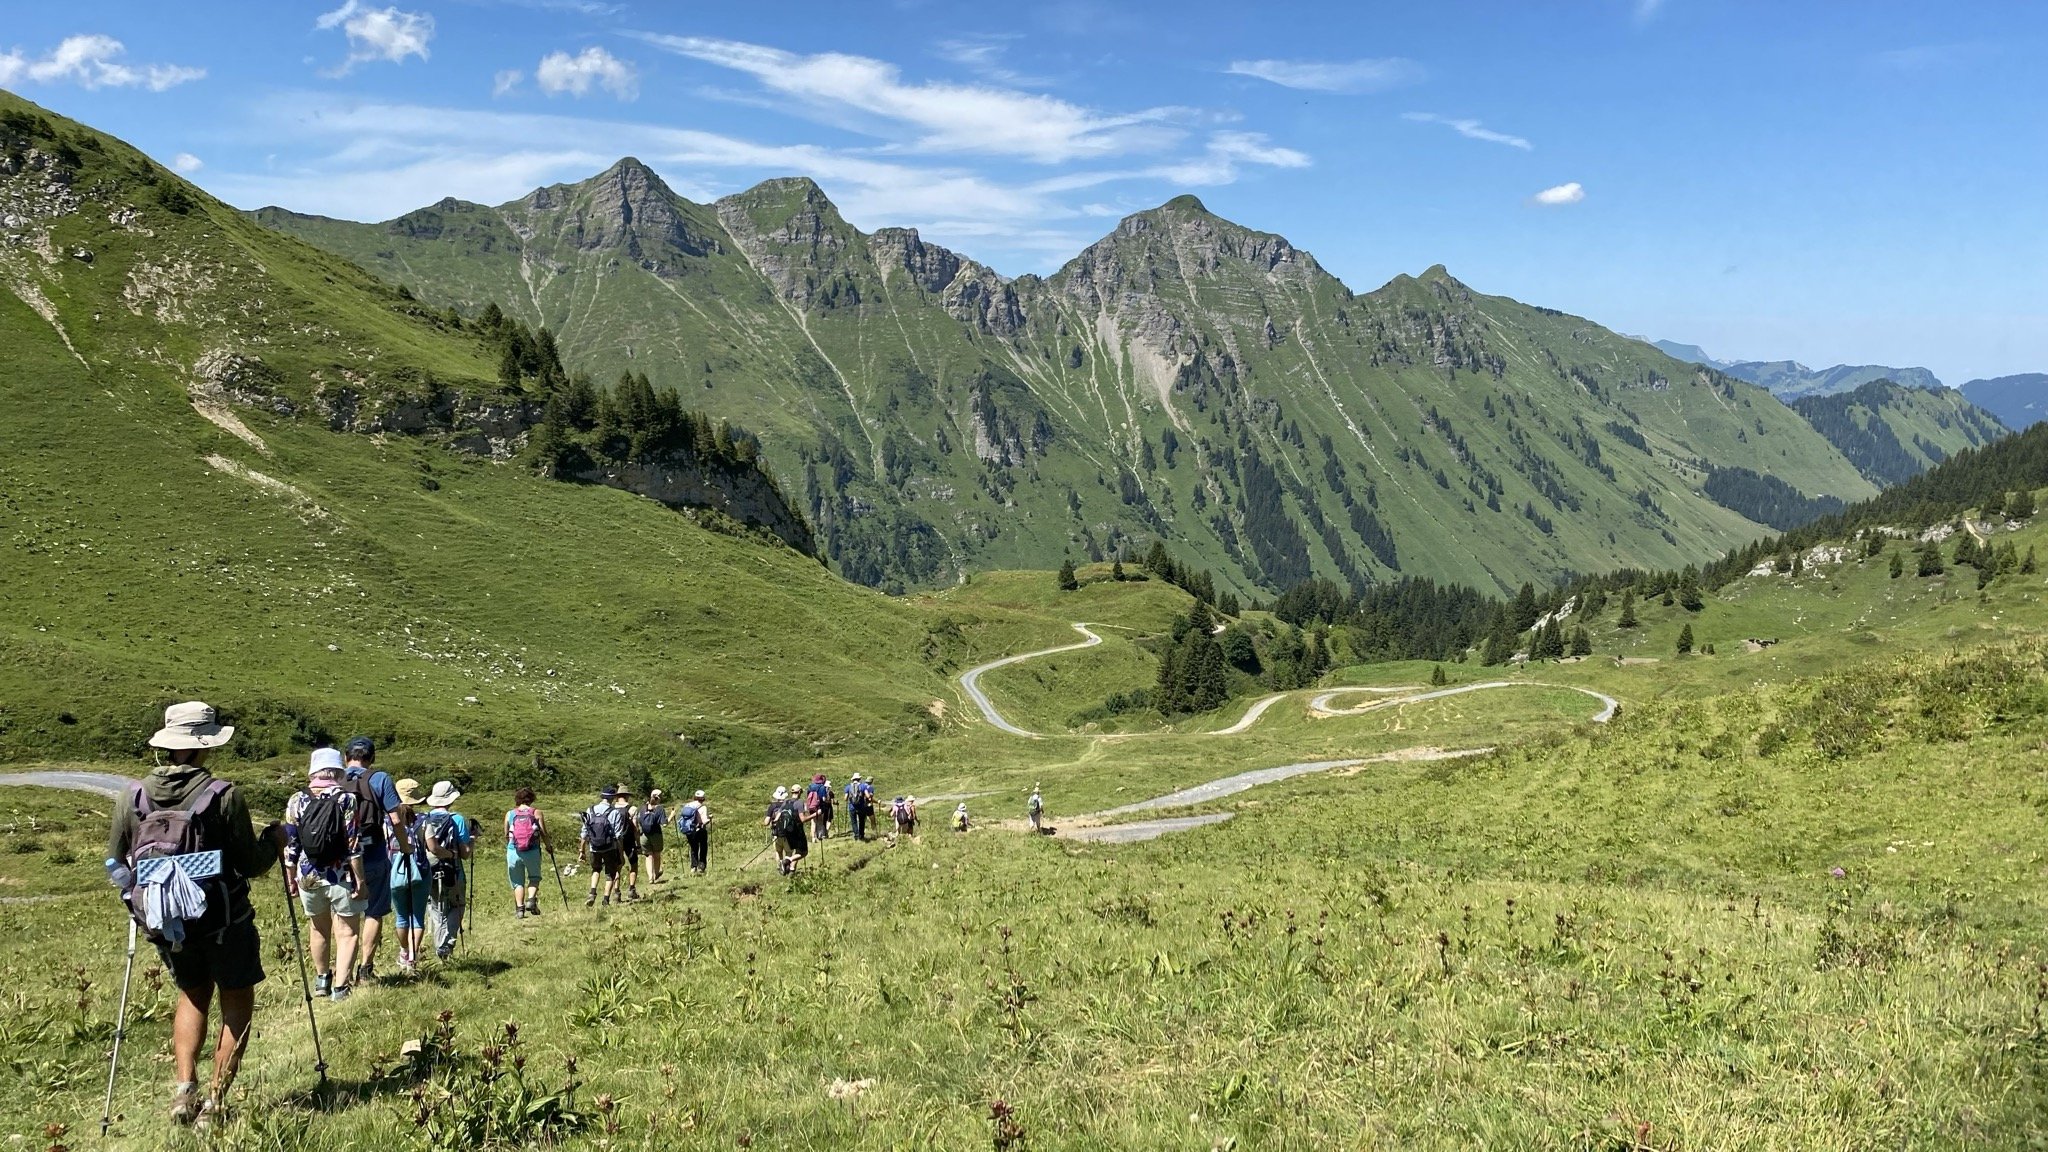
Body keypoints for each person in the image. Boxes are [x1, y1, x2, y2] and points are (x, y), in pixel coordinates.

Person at [106, 701, 283, 1128]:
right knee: (236, 997)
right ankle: (217, 1102)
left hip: (167, 922)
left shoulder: (133, 796)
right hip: (224, 918)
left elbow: (115, 862)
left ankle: (185, 1089)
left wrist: (140, 899)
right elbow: (249, 863)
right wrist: (274, 841)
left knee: (192, 993)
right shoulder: (222, 795)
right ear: (204, 747)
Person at [284, 748, 366, 1004]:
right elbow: (353, 844)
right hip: (340, 873)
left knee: (318, 928)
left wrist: (291, 875)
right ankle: (340, 988)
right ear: (338, 772)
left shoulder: (297, 799)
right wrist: (360, 880)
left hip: (308, 874)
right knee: (347, 931)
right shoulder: (347, 799)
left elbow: (291, 843)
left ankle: (322, 979)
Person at [341, 736, 409, 983]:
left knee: (344, 915)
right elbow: (397, 819)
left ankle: (341, 973)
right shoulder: (380, 779)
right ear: (372, 758)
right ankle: (365, 969)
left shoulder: (336, 779)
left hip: (341, 859)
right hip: (374, 854)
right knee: (374, 911)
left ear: (346, 756)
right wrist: (405, 846)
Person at [420, 781, 472, 959]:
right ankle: (447, 943)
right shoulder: (457, 819)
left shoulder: (424, 818)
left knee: (435, 908)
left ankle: (439, 945)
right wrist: (472, 839)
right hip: (453, 870)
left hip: (429, 870)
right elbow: (465, 853)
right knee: (458, 905)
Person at [386, 779, 431, 975]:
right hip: (420, 871)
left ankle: (404, 951)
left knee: (402, 915)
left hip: (395, 873)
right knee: (418, 915)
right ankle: (413, 955)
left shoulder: (386, 821)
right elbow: (429, 846)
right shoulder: (423, 820)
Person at [504, 787, 549, 918]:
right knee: (534, 878)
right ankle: (531, 900)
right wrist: (548, 846)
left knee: (517, 881)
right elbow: (544, 833)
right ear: (532, 798)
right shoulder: (536, 812)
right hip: (532, 851)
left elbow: (506, 834)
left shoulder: (510, 814)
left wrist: (510, 845)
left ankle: (519, 909)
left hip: (513, 850)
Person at [580, 785, 628, 906]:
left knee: (596, 869)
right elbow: (618, 836)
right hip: (609, 847)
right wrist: (621, 854)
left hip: (594, 847)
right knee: (610, 874)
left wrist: (582, 851)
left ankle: (592, 893)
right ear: (612, 798)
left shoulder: (590, 810)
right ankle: (606, 900)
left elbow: (584, 833)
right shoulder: (614, 813)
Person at [766, 786, 808, 875]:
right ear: (800, 792)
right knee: (795, 852)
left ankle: (781, 869)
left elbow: (773, 820)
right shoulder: (799, 803)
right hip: (793, 832)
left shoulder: (783, 803)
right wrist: (815, 814)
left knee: (778, 851)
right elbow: (803, 819)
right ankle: (789, 868)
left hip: (779, 832)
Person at [613, 784, 643, 901]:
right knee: (633, 864)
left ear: (617, 796)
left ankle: (616, 892)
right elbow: (636, 828)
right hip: (629, 839)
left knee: (617, 866)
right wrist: (638, 844)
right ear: (627, 796)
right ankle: (631, 889)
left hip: (616, 840)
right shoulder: (632, 809)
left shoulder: (612, 809)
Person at [676, 789, 711, 874]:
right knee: (703, 846)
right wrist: (710, 818)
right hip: (700, 829)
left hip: (690, 830)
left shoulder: (688, 805)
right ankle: (701, 866)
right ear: (703, 798)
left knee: (693, 848)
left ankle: (693, 867)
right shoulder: (702, 807)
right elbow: (704, 821)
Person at [640, 788, 668, 886]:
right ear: (659, 797)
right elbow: (664, 824)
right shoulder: (659, 808)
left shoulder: (643, 807)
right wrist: (672, 816)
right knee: (656, 855)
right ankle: (655, 875)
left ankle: (650, 877)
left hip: (644, 835)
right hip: (656, 835)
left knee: (648, 856)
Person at [805, 774, 833, 841]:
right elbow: (823, 799)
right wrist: (827, 801)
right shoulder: (822, 787)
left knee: (813, 822)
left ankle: (813, 838)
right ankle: (819, 836)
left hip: (811, 807)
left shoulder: (810, 786)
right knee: (820, 821)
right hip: (819, 806)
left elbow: (808, 797)